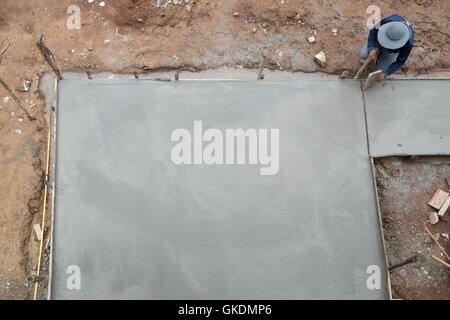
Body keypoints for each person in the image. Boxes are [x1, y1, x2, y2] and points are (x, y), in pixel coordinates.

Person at [360, 14, 414, 81]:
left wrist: (386, 73)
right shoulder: (388, 20)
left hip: (391, 52)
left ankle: (381, 57)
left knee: (379, 72)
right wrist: (371, 48)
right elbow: (373, 30)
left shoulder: (408, 43)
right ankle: (377, 53)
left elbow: (400, 61)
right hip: (379, 40)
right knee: (363, 54)